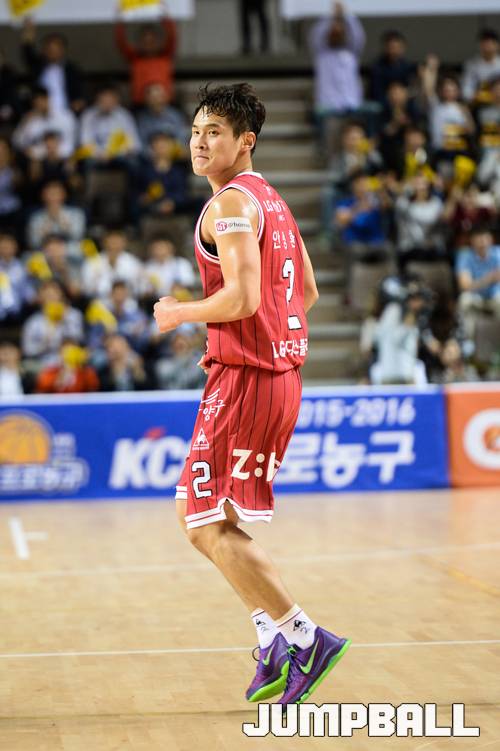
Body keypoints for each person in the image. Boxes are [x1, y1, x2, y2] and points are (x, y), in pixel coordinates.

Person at [153, 83, 350, 706]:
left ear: (246, 141)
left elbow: (242, 297)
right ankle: (271, 637)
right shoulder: (271, 199)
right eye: (195, 131)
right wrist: (247, 337)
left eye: (214, 132)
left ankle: (304, 637)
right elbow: (305, 292)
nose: (199, 142)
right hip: (266, 375)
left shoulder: (231, 204)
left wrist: (180, 313)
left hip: (250, 380)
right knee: (202, 517)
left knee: (203, 519)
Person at [309, 1, 366, 158]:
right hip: (330, 108)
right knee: (332, 145)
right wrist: (331, 17)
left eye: (340, 31)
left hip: (352, 106)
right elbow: (316, 35)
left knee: (356, 141)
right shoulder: (322, 54)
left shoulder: (351, 53)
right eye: (333, 31)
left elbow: (358, 36)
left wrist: (346, 16)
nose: (336, 33)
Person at [20, 18, 84, 113]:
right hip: (40, 114)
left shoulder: (72, 69)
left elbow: (80, 94)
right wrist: (29, 30)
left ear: (63, 50)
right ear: (44, 50)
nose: (52, 52)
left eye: (56, 49)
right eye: (49, 49)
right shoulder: (37, 66)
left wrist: (78, 102)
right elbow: (27, 49)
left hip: (66, 114)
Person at [115, 9, 177, 106]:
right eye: (145, 42)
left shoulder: (165, 56)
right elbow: (121, 42)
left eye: (152, 41)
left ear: (158, 42)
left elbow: (172, 36)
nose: (148, 45)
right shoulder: (135, 58)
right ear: (139, 43)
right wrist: (122, 21)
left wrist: (165, 18)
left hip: (164, 104)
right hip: (140, 104)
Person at [456, 226, 500, 338]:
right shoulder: (464, 255)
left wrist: (477, 283)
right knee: (464, 300)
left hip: (496, 295)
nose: (483, 243)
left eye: (486, 238)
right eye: (479, 239)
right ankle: (467, 341)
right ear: (472, 241)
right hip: (475, 297)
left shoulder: (498, 253)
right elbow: (465, 286)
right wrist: (489, 279)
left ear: (491, 239)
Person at [12, 86, 77, 161]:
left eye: (41, 100)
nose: (39, 105)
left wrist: (56, 153)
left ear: (47, 98)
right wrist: (24, 122)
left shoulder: (66, 116)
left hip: (64, 159)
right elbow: (17, 142)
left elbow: (72, 143)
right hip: (39, 160)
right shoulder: (31, 121)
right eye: (35, 103)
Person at [79, 86, 140, 165]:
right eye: (104, 100)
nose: (107, 103)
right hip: (97, 155)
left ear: (117, 101)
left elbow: (133, 142)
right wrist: (99, 153)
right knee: (87, 162)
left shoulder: (124, 115)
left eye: (110, 100)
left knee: (133, 162)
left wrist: (113, 154)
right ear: (97, 100)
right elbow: (85, 141)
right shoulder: (88, 115)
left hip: (119, 154)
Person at [81, 227, 146, 299]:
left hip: (127, 302)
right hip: (100, 301)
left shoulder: (133, 262)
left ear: (124, 243)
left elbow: (141, 288)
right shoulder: (93, 262)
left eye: (117, 242)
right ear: (104, 243)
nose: (114, 245)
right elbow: (86, 289)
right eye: (112, 242)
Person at [370, 30, 416, 106]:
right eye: (392, 47)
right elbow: (376, 92)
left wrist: (403, 93)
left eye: (398, 47)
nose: (395, 51)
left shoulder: (406, 66)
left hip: (404, 102)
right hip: (384, 103)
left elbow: (411, 88)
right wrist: (392, 95)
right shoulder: (378, 67)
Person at [137, 82, 189, 149]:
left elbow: (183, 140)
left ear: (166, 98)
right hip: (151, 154)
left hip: (174, 152)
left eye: (160, 97)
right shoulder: (142, 119)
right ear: (147, 100)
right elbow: (140, 145)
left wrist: (171, 149)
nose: (157, 101)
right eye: (154, 98)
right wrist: (154, 151)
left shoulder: (175, 116)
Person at [462, 28, 500, 104]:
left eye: (490, 44)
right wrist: (475, 96)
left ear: (497, 45)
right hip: (480, 104)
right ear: (480, 45)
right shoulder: (472, 64)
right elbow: (466, 90)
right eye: (484, 44)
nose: (487, 47)